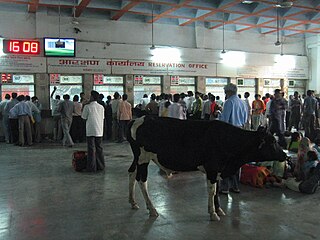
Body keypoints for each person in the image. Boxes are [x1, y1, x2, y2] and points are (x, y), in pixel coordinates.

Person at [219, 83, 247, 194]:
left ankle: (225, 187)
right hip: (240, 131)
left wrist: (219, 115)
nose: (225, 94)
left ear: (229, 92)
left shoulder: (229, 102)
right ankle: (235, 186)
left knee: (226, 160)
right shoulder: (242, 102)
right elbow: (245, 119)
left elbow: (224, 121)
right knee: (237, 160)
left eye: (225, 92)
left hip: (230, 132)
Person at [81, 90, 105, 172]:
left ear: (92, 97)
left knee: (91, 149)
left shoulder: (87, 107)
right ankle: (101, 166)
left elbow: (83, 117)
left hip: (90, 130)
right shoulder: (101, 107)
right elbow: (102, 118)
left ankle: (91, 167)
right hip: (99, 130)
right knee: (99, 148)